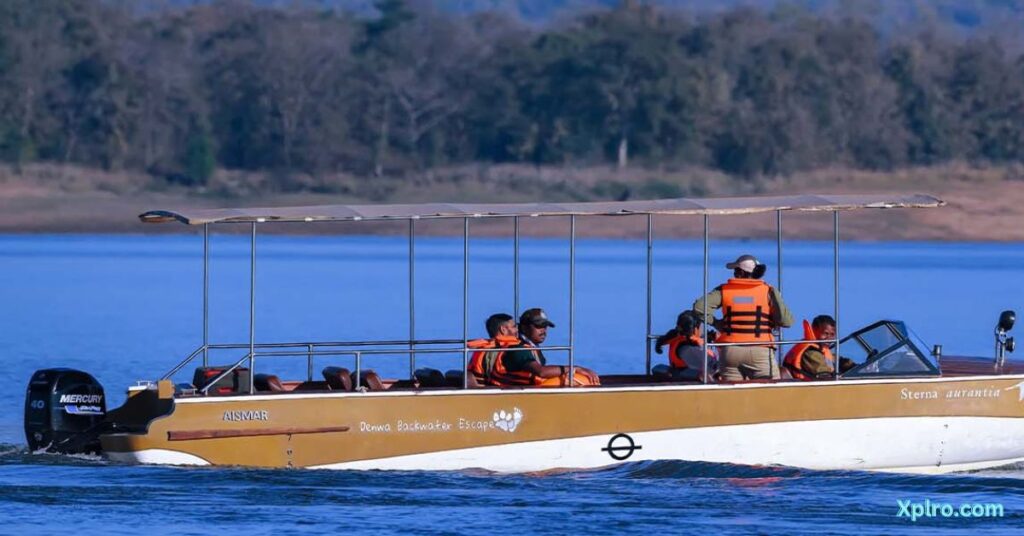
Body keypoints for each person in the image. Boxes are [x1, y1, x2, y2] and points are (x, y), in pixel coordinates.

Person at [692, 254, 793, 381]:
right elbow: (786, 321)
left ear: (739, 272)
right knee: (769, 392)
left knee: (733, 394)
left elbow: (699, 307)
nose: (733, 273)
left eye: (735, 270)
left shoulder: (724, 290)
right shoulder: (769, 291)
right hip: (760, 351)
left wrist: (716, 323)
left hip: (730, 351)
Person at [488, 308, 600, 387]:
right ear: (525, 327)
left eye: (545, 326)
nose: (543, 330)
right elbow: (541, 372)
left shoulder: (531, 347)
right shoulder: (518, 349)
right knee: (583, 380)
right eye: (538, 326)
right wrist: (575, 368)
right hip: (516, 393)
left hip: (527, 387)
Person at [783, 315, 855, 380]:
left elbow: (838, 360)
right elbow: (823, 374)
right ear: (814, 331)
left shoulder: (822, 350)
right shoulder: (811, 352)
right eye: (825, 333)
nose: (829, 338)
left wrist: (857, 367)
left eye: (832, 334)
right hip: (809, 391)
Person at [653, 310, 717, 382]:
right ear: (695, 329)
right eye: (701, 326)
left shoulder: (680, 340)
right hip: (690, 378)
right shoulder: (686, 348)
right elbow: (710, 364)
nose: (702, 329)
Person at [466, 313, 521, 385]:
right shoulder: (516, 350)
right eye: (514, 327)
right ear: (503, 330)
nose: (517, 330)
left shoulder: (480, 351)